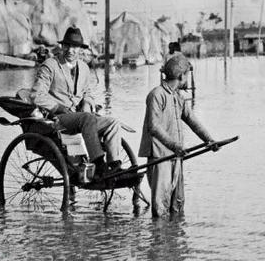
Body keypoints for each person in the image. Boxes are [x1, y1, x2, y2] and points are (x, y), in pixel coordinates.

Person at [30, 27, 121, 178]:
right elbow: (36, 95)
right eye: (67, 46)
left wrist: (87, 102)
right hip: (58, 118)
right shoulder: (50, 65)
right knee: (87, 118)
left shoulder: (84, 68)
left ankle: (114, 166)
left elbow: (87, 93)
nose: (71, 50)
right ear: (62, 46)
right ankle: (98, 164)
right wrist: (59, 107)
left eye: (75, 47)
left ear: (80, 49)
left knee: (113, 123)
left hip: (81, 118)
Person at [139, 53, 215, 217]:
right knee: (160, 208)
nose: (187, 79)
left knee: (177, 204)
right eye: (187, 75)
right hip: (160, 156)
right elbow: (154, 127)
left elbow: (192, 120)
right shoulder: (157, 95)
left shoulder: (177, 96)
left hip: (176, 156)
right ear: (181, 76)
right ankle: (158, 239)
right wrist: (175, 145)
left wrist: (209, 140)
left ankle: (175, 239)